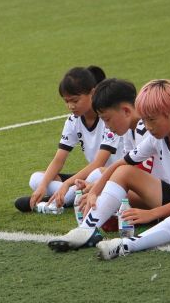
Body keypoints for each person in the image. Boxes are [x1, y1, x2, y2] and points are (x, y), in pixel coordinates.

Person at [48, 79, 170, 258]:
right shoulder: (156, 136)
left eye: (152, 120)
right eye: (144, 120)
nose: (148, 126)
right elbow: (120, 164)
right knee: (124, 172)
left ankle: (127, 245)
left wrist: (151, 214)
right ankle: (86, 230)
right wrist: (95, 191)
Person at [13, 66, 120, 214]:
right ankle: (68, 196)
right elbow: (59, 160)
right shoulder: (73, 120)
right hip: (88, 179)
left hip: (110, 174)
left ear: (92, 93)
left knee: (96, 174)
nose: (71, 106)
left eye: (75, 100)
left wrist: (67, 184)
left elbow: (98, 163)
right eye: (67, 101)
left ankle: (55, 200)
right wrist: (42, 186)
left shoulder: (107, 117)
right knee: (36, 179)